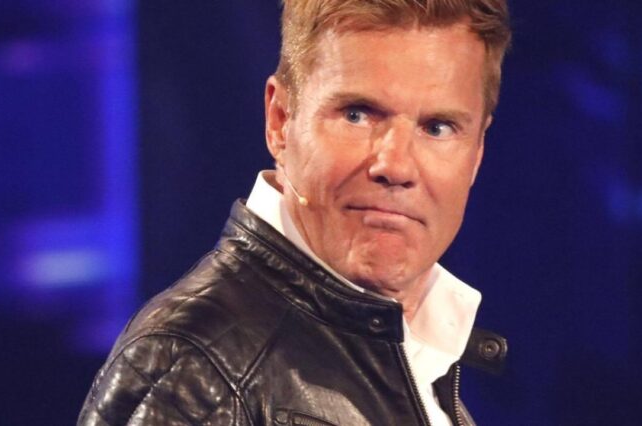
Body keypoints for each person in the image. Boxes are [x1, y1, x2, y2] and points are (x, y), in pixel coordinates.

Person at [78, 0, 511, 424]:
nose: (396, 166)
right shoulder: (193, 369)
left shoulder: (419, 349)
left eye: (437, 127)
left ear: (477, 151)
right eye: (357, 115)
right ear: (280, 121)